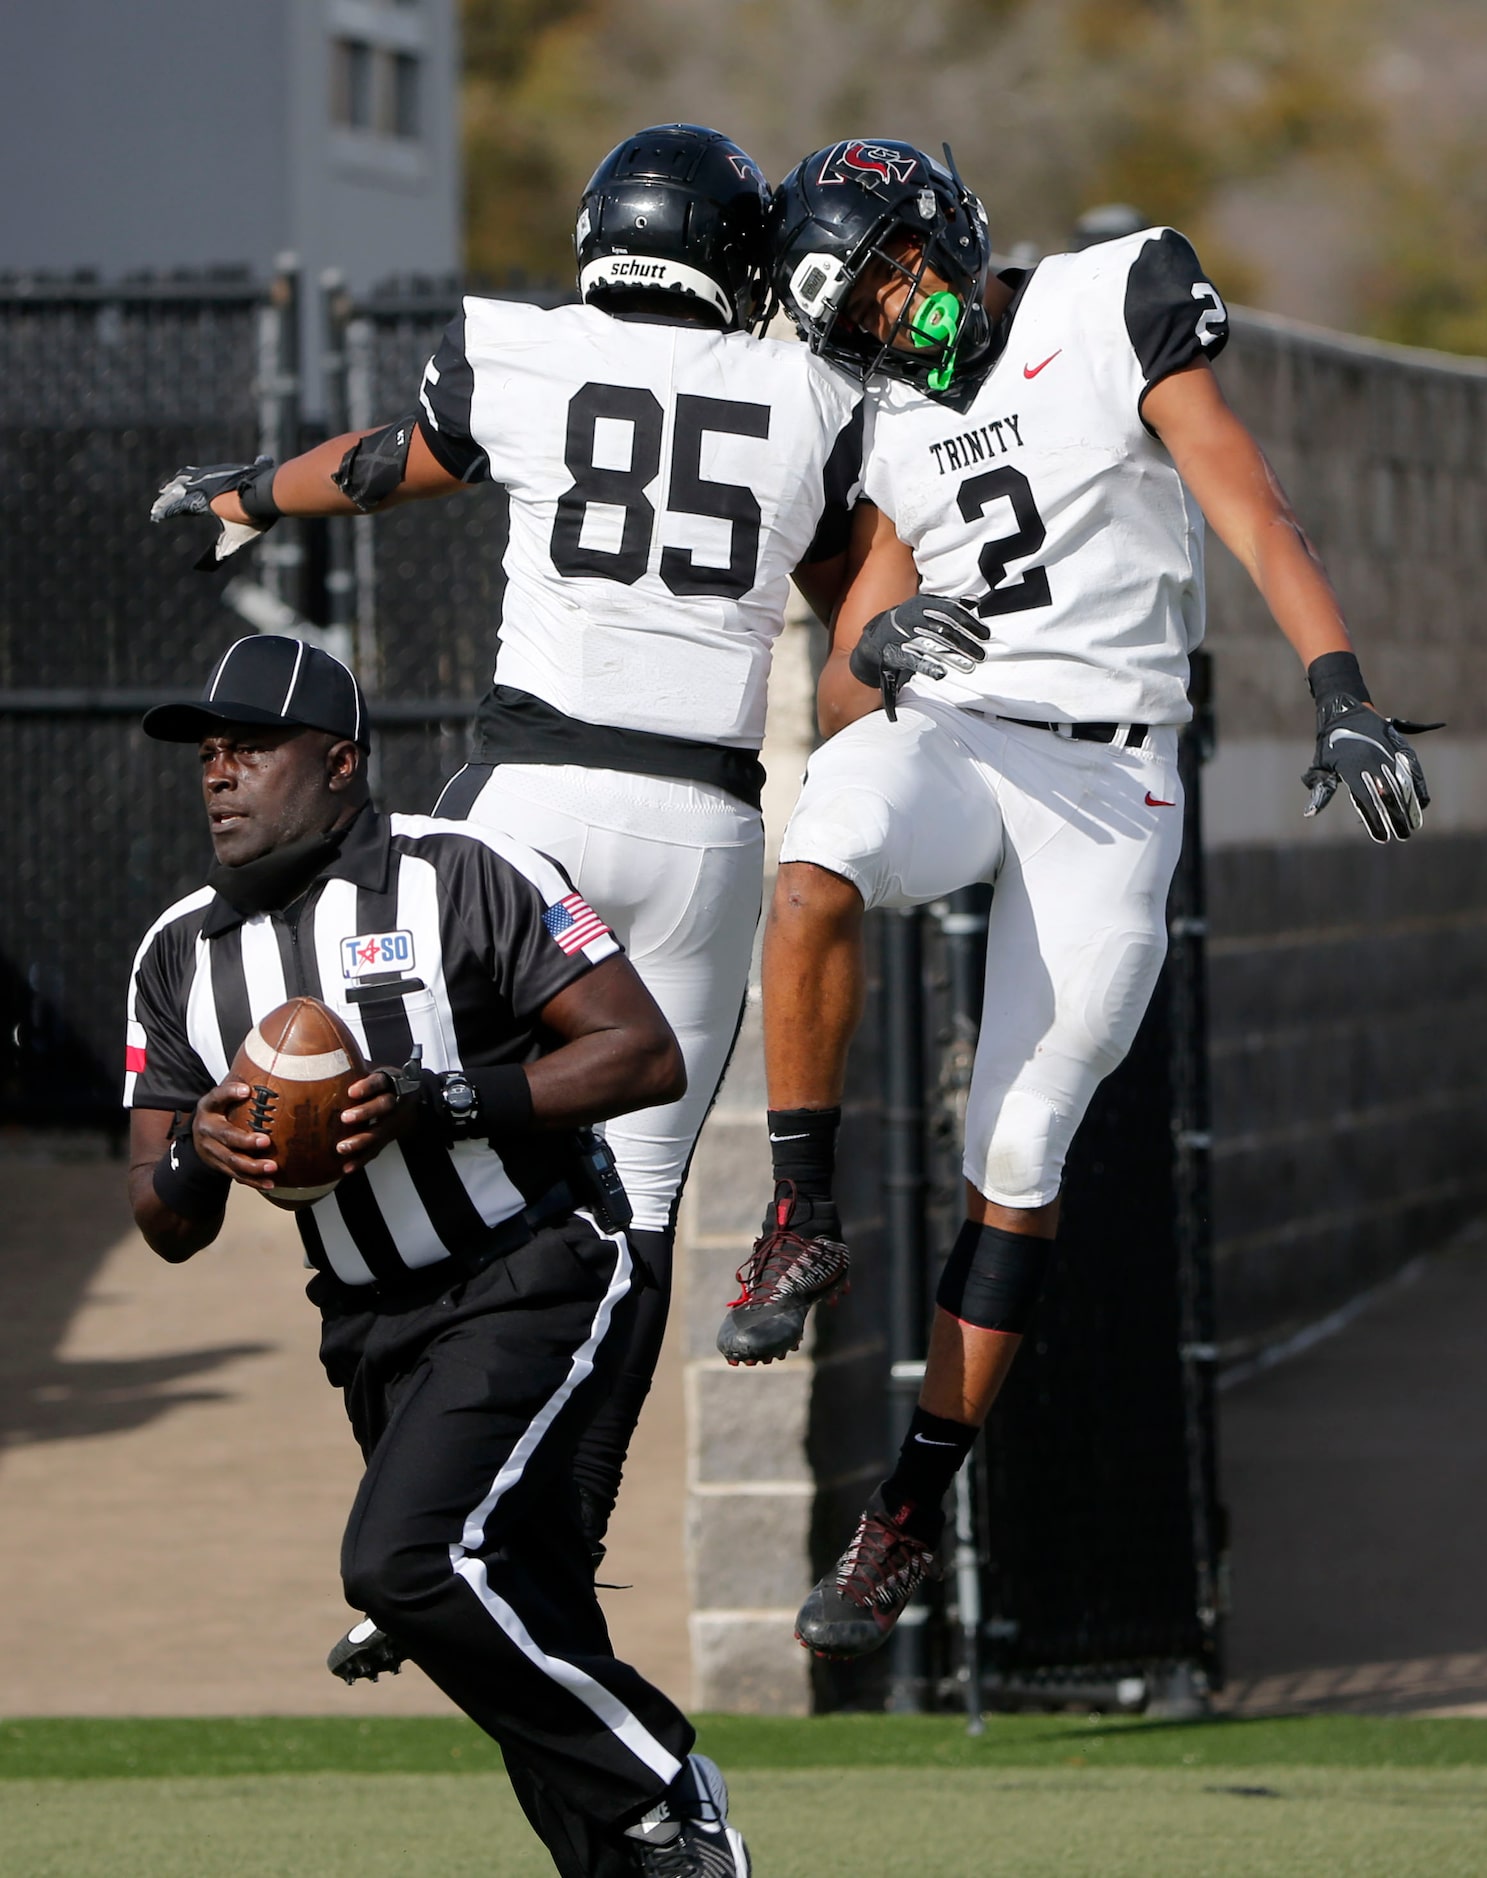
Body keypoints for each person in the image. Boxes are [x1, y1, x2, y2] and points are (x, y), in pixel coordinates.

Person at [149, 122, 863, 1669]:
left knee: (376, 1108)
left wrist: (248, 496)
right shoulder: (810, 392)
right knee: (638, 1213)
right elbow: (858, 582)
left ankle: (419, 1521)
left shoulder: (533, 355)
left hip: (524, 805)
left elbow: (391, 465)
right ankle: (549, 1554)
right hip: (701, 829)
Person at [713, 139, 1434, 1657]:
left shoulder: (1115, 297)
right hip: (967, 740)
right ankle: (799, 1211)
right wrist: (882, 644)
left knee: (1025, 1143)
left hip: (1115, 779)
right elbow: (849, 682)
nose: (897, 316)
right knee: (822, 838)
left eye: (902, 270)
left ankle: (905, 1514)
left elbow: (1250, 501)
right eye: (863, 308)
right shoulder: (887, 427)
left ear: (948, 223)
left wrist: (1341, 689)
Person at [124, 633, 751, 1877]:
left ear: (341, 762)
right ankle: (633, 1856)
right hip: (367, 1325)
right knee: (519, 1611)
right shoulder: (179, 953)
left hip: (531, 1268)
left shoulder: (466, 873)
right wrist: (202, 1152)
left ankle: (664, 1777)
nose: (221, 773)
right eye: (208, 752)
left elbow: (641, 1056)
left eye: (252, 747)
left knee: (403, 1560)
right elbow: (163, 1216)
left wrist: (437, 1099)